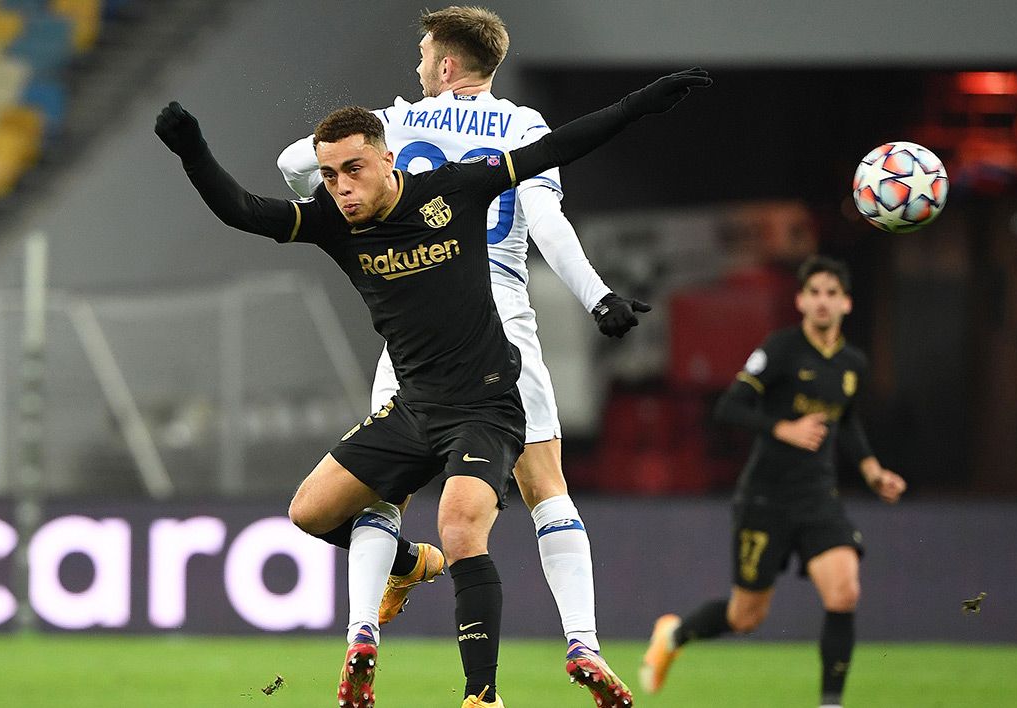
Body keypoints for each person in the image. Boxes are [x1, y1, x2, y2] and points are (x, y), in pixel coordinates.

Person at [156, 67, 710, 707]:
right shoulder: (337, 223)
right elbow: (242, 211)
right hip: (414, 409)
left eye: (354, 169)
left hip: (485, 405)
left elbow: (553, 150)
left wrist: (642, 102)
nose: (341, 188)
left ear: (388, 159)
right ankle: (406, 564)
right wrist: (191, 147)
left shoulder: (454, 189)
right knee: (309, 512)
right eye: (329, 175)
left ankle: (482, 695)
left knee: (461, 528)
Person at [275, 8, 648, 704]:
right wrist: (598, 296)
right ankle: (583, 644)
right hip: (501, 317)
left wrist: (325, 198)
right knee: (547, 488)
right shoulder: (523, 125)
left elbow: (294, 165)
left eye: (424, 56)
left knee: (383, 487)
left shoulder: (398, 123)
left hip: (414, 322)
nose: (418, 67)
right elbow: (544, 220)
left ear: (445, 65)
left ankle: (362, 632)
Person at [639, 255, 906, 708]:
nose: (823, 302)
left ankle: (830, 703)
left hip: (818, 496)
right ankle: (675, 633)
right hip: (765, 497)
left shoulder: (852, 364)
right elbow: (730, 406)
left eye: (832, 293)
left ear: (847, 303)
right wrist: (784, 428)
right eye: (815, 292)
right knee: (746, 617)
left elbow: (848, 420)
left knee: (844, 591)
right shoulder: (780, 350)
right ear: (801, 300)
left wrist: (871, 470)